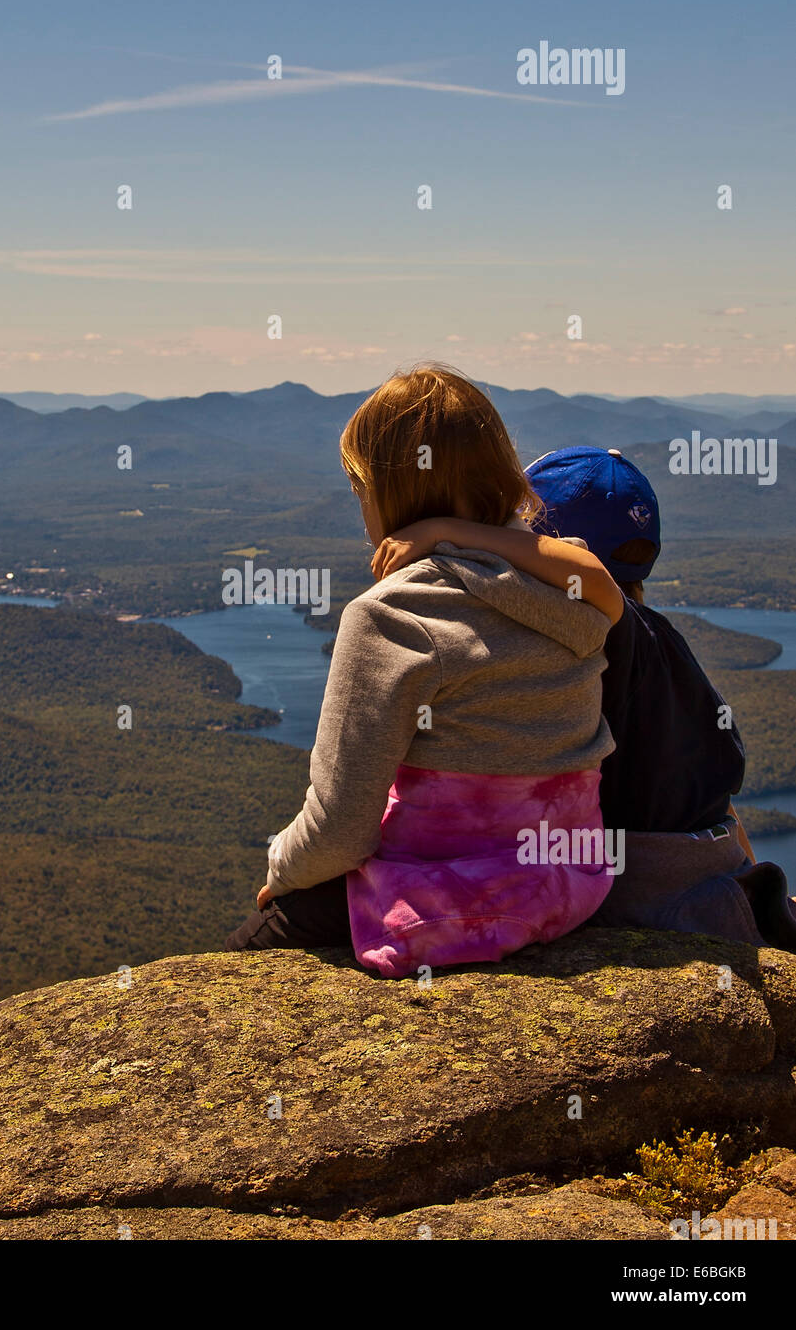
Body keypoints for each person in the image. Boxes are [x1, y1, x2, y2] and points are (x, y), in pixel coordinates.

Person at [225, 366, 623, 978]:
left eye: (362, 489)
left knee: (231, 972)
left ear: (390, 494)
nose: (361, 507)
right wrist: (456, 530)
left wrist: (280, 867)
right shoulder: (571, 597)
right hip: (569, 886)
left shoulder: (391, 614)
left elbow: (340, 833)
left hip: (443, 902)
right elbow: (597, 578)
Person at [374, 444, 796, 951]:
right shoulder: (667, 644)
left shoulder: (599, 639)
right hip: (720, 874)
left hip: (645, 893)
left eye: (516, 527)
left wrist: (447, 530)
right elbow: (721, 797)